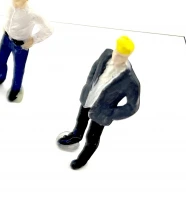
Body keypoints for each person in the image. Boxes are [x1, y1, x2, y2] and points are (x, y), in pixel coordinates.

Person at [57, 36, 140, 169]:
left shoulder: (131, 81)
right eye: (116, 52)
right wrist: (89, 85)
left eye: (121, 56)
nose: (116, 57)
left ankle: (83, 159)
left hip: (102, 112)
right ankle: (76, 136)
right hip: (89, 98)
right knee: (81, 120)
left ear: (127, 57)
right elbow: (94, 69)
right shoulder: (106, 55)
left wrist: (110, 113)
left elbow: (132, 107)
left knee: (93, 137)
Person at [0, 0, 53, 101]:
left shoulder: (32, 12)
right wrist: (6, 27)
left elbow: (48, 29)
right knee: (0, 60)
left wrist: (34, 39)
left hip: (21, 45)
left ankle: (15, 89)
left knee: (18, 69)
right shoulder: (10, 3)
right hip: (6, 39)